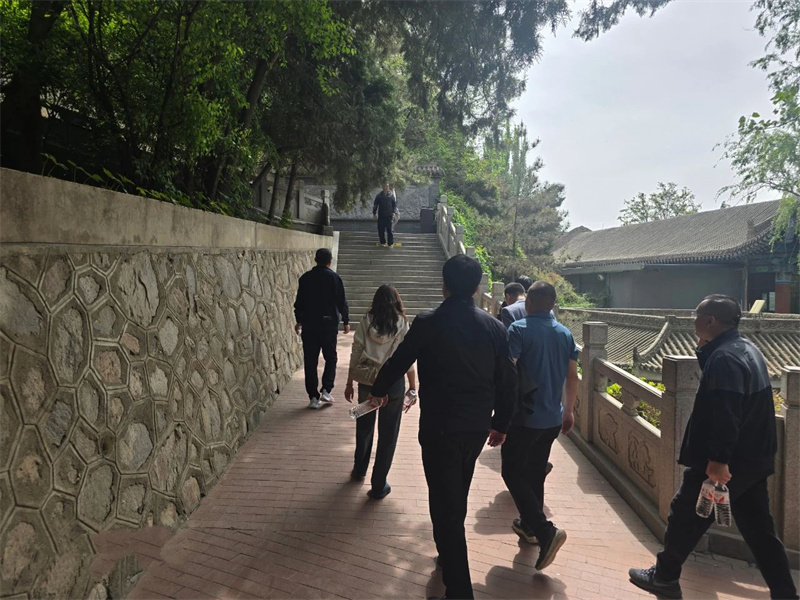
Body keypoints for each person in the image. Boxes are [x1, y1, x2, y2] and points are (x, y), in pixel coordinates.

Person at [629, 295, 798, 600]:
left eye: (696, 315)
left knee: (684, 515)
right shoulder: (746, 349)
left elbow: (725, 412)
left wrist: (718, 460)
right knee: (760, 532)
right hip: (754, 460)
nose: (693, 321)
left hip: (727, 463)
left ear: (710, 320)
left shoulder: (725, 359)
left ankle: (665, 577)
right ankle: (785, 593)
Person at [368, 254, 517, 600]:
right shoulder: (494, 327)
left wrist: (378, 390)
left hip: (438, 427)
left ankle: (459, 589)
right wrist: (501, 423)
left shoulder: (427, 322)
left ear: (444, 285)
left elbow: (399, 360)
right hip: (476, 427)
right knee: (456, 491)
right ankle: (447, 554)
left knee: (443, 500)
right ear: (477, 288)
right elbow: (509, 379)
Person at [501, 281, 578, 572]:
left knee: (511, 471)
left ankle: (545, 531)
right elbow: (572, 376)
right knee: (535, 472)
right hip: (552, 418)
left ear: (529, 303)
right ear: (553, 305)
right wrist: (569, 410)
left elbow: (509, 374)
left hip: (525, 416)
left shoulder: (518, 330)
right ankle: (529, 527)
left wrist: (500, 414)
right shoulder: (565, 334)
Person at [344, 285, 417, 500]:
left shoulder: (366, 322)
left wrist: (349, 382)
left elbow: (355, 353)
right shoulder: (403, 324)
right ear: (397, 301)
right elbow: (407, 360)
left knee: (364, 427)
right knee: (388, 433)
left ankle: (359, 469)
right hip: (393, 384)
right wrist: (413, 387)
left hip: (367, 381)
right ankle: (378, 484)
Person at [293, 248, 350, 410]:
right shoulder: (334, 278)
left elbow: (299, 303)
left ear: (315, 260)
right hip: (328, 324)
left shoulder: (305, 278)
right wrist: (346, 321)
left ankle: (313, 397)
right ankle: (326, 389)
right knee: (330, 357)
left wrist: (299, 321)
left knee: (310, 361)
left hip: (309, 325)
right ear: (329, 262)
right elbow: (342, 301)